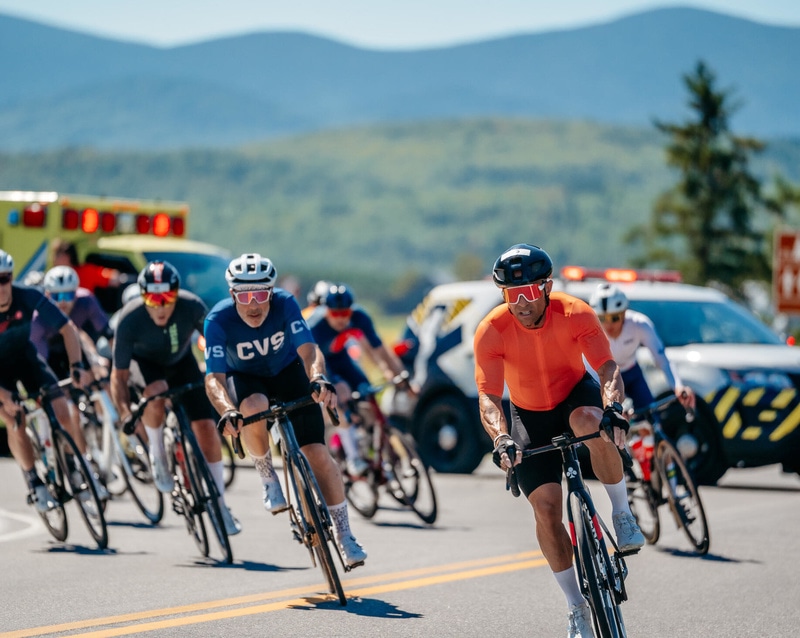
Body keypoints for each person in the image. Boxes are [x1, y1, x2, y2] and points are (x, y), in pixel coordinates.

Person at [473, 244, 644, 638]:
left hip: (573, 395)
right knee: (547, 507)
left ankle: (621, 511)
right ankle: (576, 606)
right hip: (526, 413)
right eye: (512, 295)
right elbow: (488, 397)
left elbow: (606, 368)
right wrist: (501, 437)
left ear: (547, 287)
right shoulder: (492, 330)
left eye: (530, 292)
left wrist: (613, 408)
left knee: (590, 421)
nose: (522, 303)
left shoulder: (575, 312)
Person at [203, 253, 367, 568]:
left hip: (287, 371)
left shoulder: (285, 303)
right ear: (232, 294)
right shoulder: (218, 320)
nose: (253, 304)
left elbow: (309, 350)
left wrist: (318, 377)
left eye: (261, 295)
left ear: (271, 292)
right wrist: (226, 410)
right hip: (247, 379)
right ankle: (267, 476)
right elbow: (214, 378)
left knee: (318, 454)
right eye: (245, 296)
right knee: (252, 407)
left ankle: (345, 535)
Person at [109, 260, 241, 536]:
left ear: (177, 294)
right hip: (144, 366)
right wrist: (124, 413)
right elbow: (118, 378)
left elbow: (217, 344)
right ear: (142, 295)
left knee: (206, 426)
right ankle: (158, 454)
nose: (160, 305)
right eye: (152, 298)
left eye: (167, 297)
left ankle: (219, 502)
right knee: (155, 390)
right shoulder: (130, 319)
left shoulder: (191, 306)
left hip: (182, 364)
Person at [0, 249, 102, 512]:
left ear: (11, 277)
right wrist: (4, 397)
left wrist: (77, 365)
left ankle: (71, 466)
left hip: (26, 358)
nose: (1, 286)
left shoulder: (27, 296)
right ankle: (35, 482)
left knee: (62, 411)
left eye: (4, 279)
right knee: (15, 419)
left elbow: (67, 328)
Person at [307, 282, 411, 476]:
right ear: (326, 311)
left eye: (345, 313)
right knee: (339, 396)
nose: (341, 319)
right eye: (335, 314)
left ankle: (376, 451)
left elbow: (381, 351)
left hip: (342, 359)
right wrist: (332, 384)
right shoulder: (315, 326)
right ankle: (353, 456)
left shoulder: (359, 317)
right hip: (321, 364)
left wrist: (399, 375)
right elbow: (313, 361)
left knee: (367, 392)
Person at [589, 283, 695, 412]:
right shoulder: (590, 329)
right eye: (602, 318)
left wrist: (678, 387)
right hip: (604, 378)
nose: (608, 324)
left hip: (632, 374)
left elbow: (661, 359)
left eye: (614, 317)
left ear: (624, 312)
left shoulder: (639, 324)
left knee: (650, 418)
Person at [31, 266, 113, 380]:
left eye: (68, 295)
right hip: (50, 351)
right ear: (47, 295)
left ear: (76, 292)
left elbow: (108, 333)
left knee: (99, 377)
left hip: (76, 344)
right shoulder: (38, 318)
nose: (62, 301)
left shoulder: (86, 300)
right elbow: (40, 363)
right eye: (56, 296)